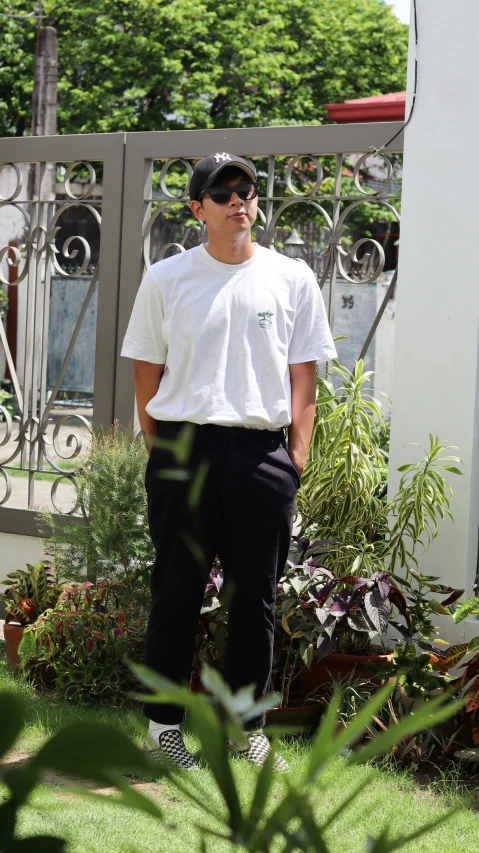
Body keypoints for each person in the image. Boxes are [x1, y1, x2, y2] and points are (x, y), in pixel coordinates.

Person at [121, 152, 337, 771]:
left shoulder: (291, 277)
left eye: (246, 190)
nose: (239, 200)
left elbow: (304, 376)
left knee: (254, 602)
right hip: (184, 449)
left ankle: (249, 731)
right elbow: (146, 369)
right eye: (223, 193)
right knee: (176, 595)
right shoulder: (167, 279)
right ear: (198, 210)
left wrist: (295, 453)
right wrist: (160, 446)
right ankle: (163, 729)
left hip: (262, 456)